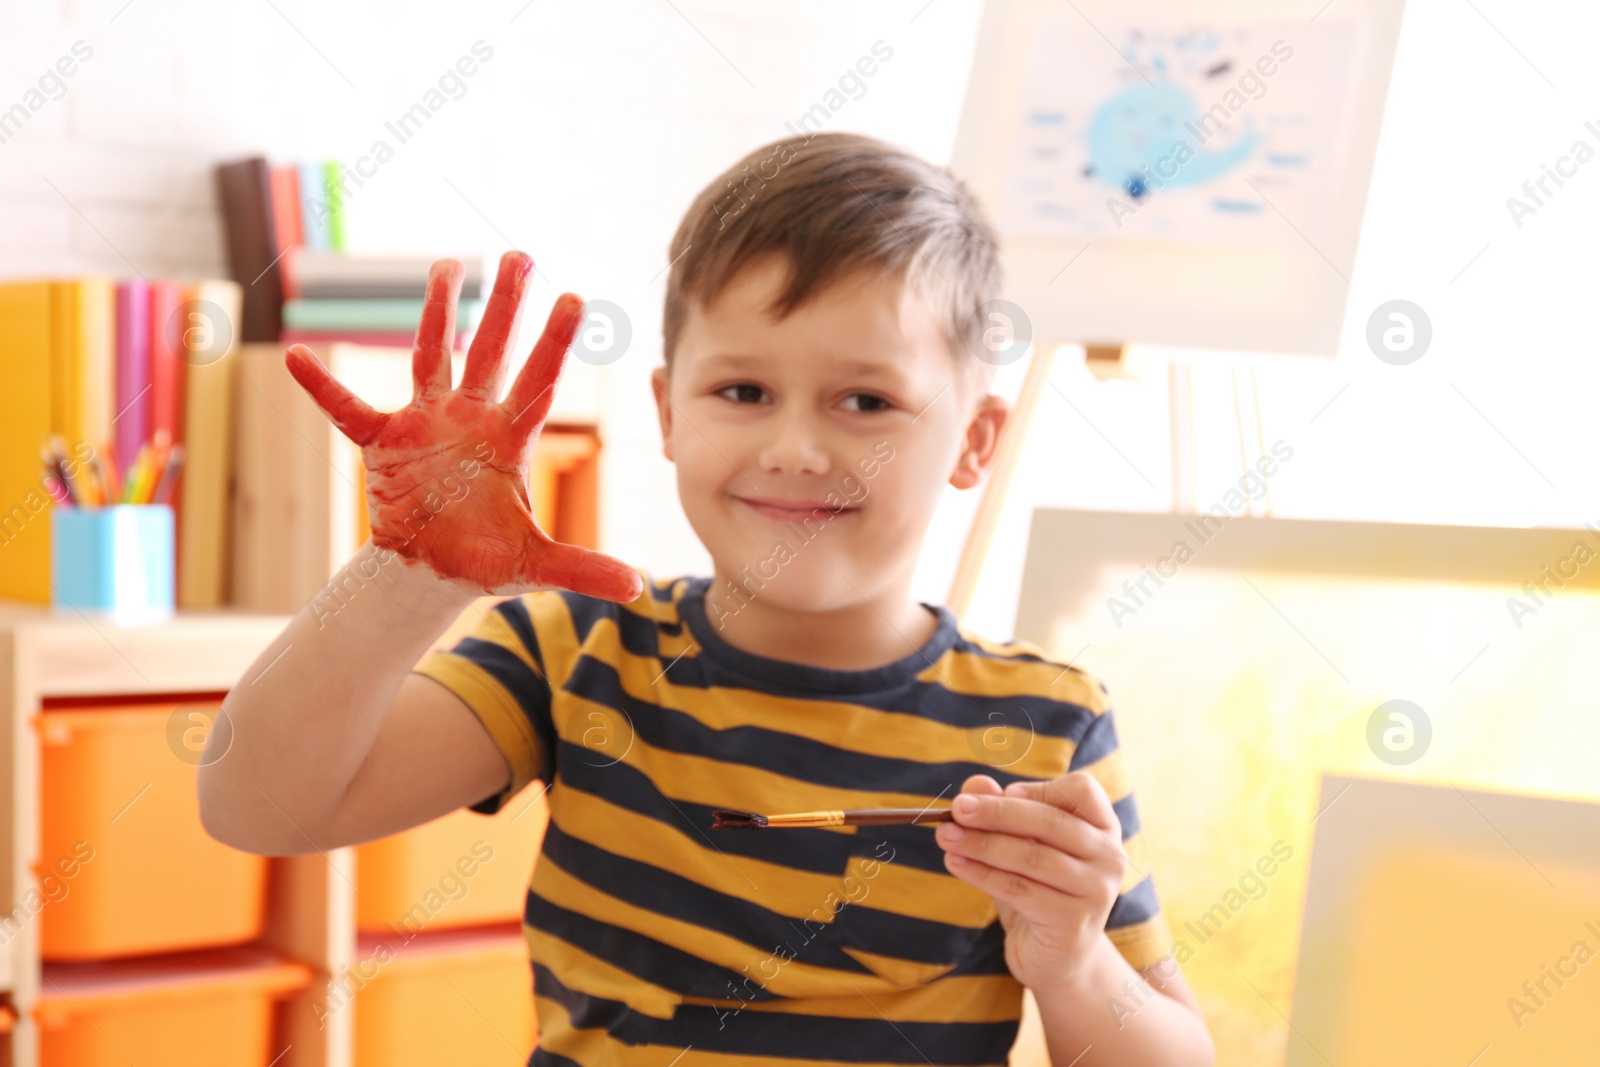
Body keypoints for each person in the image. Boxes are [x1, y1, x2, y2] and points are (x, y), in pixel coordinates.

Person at [200, 131, 1214, 1066]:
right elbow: (255, 805)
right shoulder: (574, 652)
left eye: (866, 401)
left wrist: (1074, 962)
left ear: (975, 440)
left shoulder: (1041, 723)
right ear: (667, 412)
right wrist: (407, 573)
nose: (795, 449)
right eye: (743, 391)